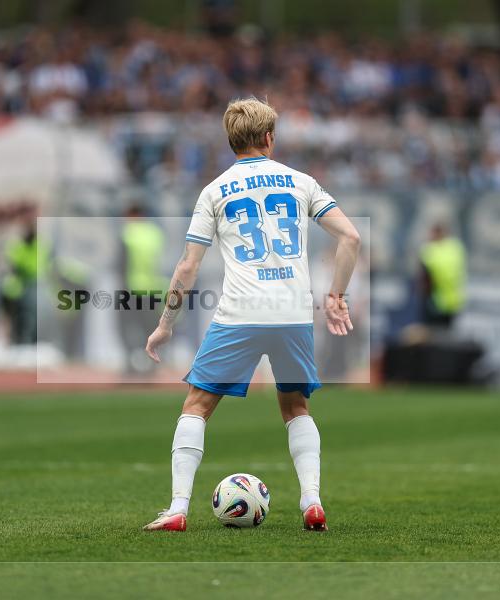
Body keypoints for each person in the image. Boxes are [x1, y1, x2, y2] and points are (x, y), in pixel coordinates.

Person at [142, 98, 361, 532]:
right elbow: (350, 237)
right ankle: (312, 503)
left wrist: (165, 326)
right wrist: (336, 295)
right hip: (293, 313)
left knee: (198, 404)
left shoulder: (215, 190)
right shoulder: (301, 182)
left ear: (230, 141)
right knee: (296, 406)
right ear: (269, 138)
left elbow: (188, 266)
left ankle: (178, 508)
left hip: (240, 313)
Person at [118, 206, 168, 373]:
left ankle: (131, 365)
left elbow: (121, 263)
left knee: (127, 328)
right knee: (151, 329)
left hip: (132, 288)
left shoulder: (127, 233)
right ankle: (153, 364)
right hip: (153, 288)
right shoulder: (155, 233)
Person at [418, 223, 466, 328]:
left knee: (433, 333)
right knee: (447, 334)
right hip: (453, 300)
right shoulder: (456, 248)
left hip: (435, 299)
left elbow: (426, 276)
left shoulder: (430, 250)